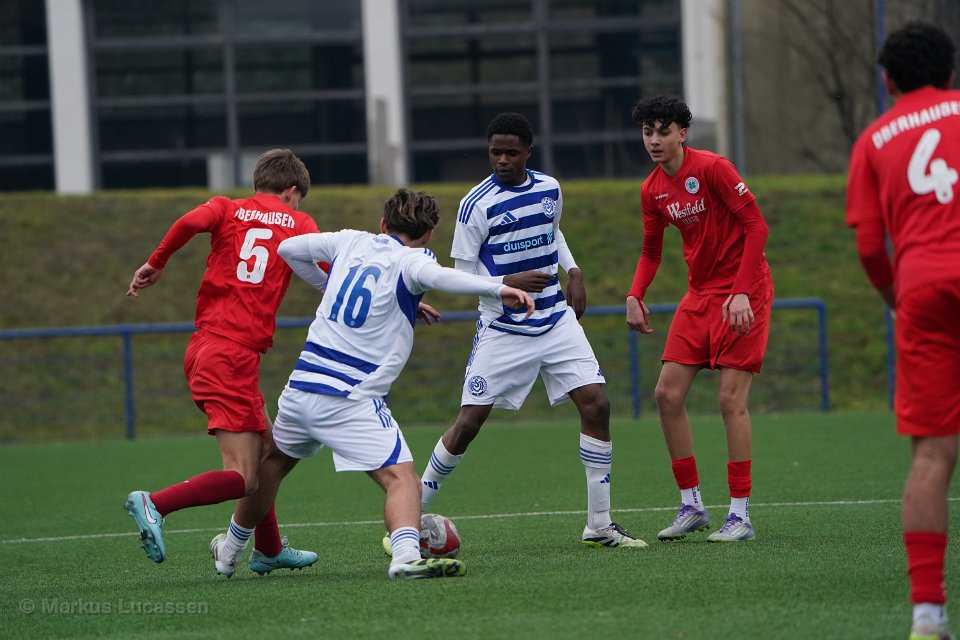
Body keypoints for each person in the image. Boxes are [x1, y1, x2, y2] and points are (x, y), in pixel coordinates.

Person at [210, 188, 534, 580]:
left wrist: (329, 285)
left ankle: (230, 551)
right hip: (350, 397)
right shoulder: (414, 259)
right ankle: (405, 557)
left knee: (273, 463)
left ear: (383, 223)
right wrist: (499, 287)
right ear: (428, 235)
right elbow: (441, 277)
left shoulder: (349, 240)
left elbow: (288, 249)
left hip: (302, 388)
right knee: (403, 479)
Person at [412, 112, 647, 549]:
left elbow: (553, 234)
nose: (502, 160)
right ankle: (408, 518)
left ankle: (599, 524)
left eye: (511, 152)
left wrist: (573, 271)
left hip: (556, 320)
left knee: (597, 404)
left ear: (528, 153)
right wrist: (506, 284)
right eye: (495, 152)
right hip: (503, 329)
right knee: (468, 424)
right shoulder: (475, 205)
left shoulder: (550, 189)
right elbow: (461, 274)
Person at [123, 148, 323, 577]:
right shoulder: (300, 223)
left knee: (268, 452)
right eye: (297, 199)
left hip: (210, 346)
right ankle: (155, 503)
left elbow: (188, 222)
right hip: (229, 356)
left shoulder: (227, 207)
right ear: (292, 191)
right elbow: (334, 268)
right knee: (245, 476)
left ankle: (268, 549)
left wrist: (156, 262)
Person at [846, 21, 960, 640]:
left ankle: (928, 615)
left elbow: (869, 247)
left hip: (922, 292)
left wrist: (897, 299)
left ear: (888, 81)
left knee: (933, 455)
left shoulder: (872, 140)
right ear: (950, 74)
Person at [626, 95, 774, 543]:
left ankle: (740, 515)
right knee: (666, 394)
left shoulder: (713, 168)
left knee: (730, 399)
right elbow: (651, 251)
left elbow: (757, 227)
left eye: (663, 131)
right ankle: (691, 505)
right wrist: (635, 294)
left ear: (682, 133)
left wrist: (742, 290)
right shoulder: (652, 189)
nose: (654, 140)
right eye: (648, 132)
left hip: (745, 291)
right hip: (700, 296)